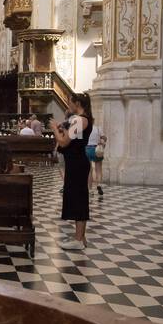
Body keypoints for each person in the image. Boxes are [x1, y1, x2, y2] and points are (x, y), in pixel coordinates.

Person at [53, 94, 93, 250]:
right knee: (79, 198)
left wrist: (55, 129)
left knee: (78, 199)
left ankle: (78, 239)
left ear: (77, 103)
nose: (68, 105)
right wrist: (64, 129)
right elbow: (74, 139)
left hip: (77, 164)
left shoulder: (79, 119)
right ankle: (80, 237)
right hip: (77, 163)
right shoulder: (84, 119)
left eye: (70, 102)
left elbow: (63, 142)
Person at [87, 124, 106, 198]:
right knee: (99, 170)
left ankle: (90, 190)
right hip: (97, 149)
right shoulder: (98, 128)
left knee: (89, 171)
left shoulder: (84, 128)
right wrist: (102, 142)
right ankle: (99, 184)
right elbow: (104, 138)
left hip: (87, 149)